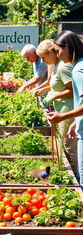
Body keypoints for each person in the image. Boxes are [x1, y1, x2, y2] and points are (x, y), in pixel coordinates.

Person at [47, 30, 83, 185]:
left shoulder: (78, 70)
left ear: (67, 47)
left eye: (58, 50)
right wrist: (76, 121)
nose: (58, 55)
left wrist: (63, 117)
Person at [36, 39, 77, 174]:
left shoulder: (64, 67)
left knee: (69, 146)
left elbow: (73, 90)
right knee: (65, 144)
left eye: (43, 57)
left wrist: (54, 96)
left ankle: (76, 176)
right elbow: (58, 85)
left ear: (51, 53)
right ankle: (69, 172)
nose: (42, 61)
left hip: (69, 111)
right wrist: (46, 89)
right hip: (62, 110)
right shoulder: (56, 65)